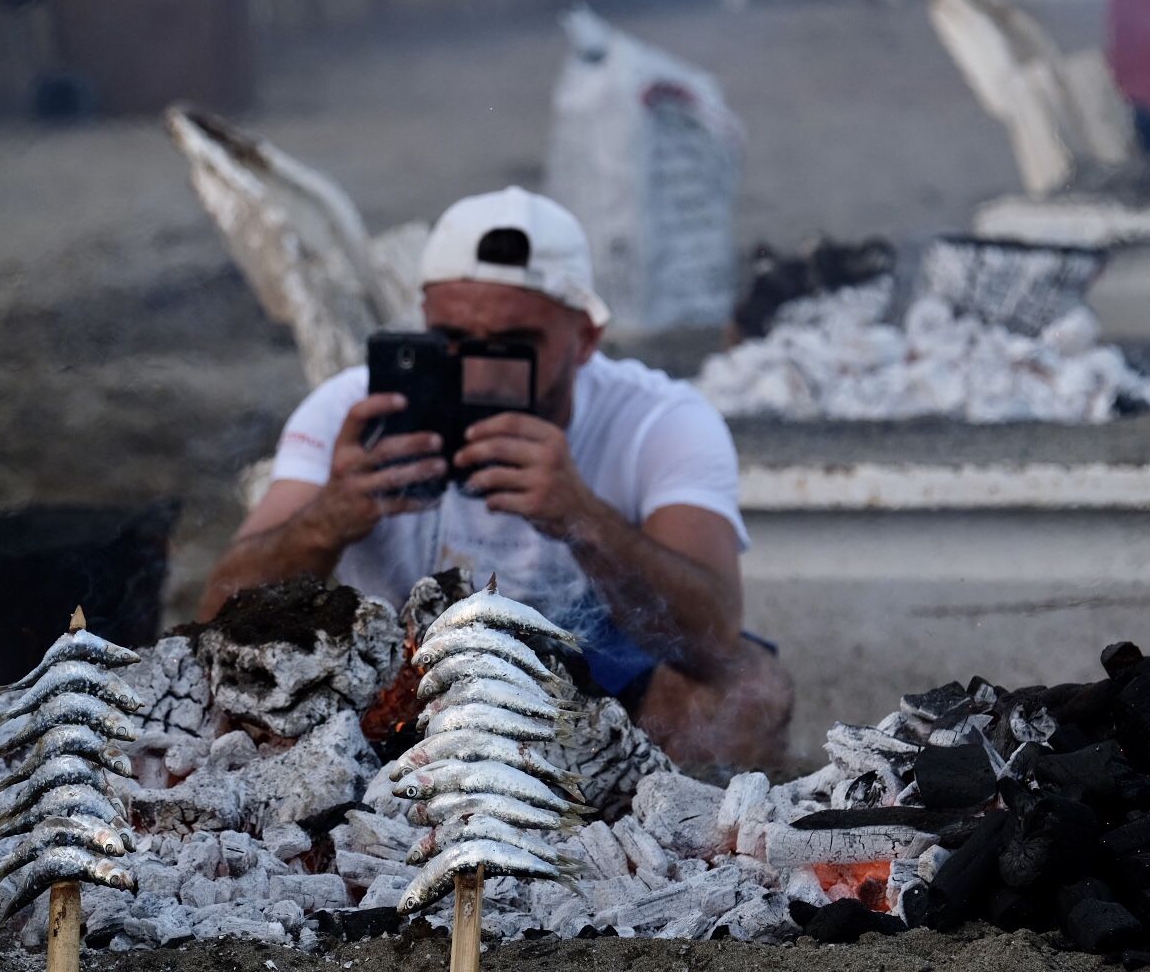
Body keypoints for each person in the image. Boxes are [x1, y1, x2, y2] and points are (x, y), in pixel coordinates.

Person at [203, 187, 793, 766]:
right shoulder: (351, 411)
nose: (480, 376)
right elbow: (215, 616)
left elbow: (716, 642)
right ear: (424, 319)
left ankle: (655, 854)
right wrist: (326, 521)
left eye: (513, 347)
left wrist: (581, 518)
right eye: (453, 342)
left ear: (585, 340)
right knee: (240, 684)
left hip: (590, 689)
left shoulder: (660, 419)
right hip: (391, 682)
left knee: (749, 693)